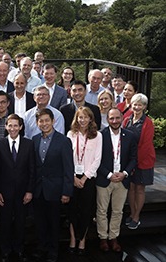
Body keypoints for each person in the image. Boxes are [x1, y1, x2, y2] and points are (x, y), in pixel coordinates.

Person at [31, 108, 74, 262]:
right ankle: (41, 247)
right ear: (37, 123)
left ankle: (53, 251)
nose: (44, 124)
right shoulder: (34, 140)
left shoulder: (63, 141)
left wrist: (67, 192)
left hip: (56, 190)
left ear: (53, 121)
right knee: (40, 222)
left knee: (54, 222)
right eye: (41, 121)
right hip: (38, 190)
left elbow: (69, 168)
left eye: (46, 120)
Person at [96, 108, 137, 252]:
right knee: (101, 210)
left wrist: (124, 173)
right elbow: (96, 160)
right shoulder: (100, 136)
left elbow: (133, 158)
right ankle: (102, 238)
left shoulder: (130, 136)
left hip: (122, 179)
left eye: (117, 118)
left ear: (122, 118)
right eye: (111, 118)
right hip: (104, 179)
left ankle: (113, 237)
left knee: (118, 211)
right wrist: (108, 175)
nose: (114, 121)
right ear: (107, 119)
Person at [0, 114, 35, 262]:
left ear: (21, 127)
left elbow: (32, 169)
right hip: (4, 193)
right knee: (4, 222)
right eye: (10, 125)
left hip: (23, 192)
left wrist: (30, 190)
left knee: (20, 222)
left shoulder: (28, 144)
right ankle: (5, 250)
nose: (12, 128)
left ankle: (19, 249)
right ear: (5, 127)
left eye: (15, 125)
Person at [66, 107, 102, 256]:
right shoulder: (70, 134)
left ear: (91, 119)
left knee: (86, 211)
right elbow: (67, 157)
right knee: (72, 210)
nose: (83, 120)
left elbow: (97, 159)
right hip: (73, 177)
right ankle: (73, 239)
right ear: (76, 118)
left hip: (88, 178)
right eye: (80, 117)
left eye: (86, 117)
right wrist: (74, 177)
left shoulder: (97, 136)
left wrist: (85, 177)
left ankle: (83, 240)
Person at [123, 94, 156, 230]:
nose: (136, 107)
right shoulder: (126, 120)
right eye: (135, 104)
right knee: (131, 187)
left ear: (144, 107)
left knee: (140, 188)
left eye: (140, 105)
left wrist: (134, 164)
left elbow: (145, 145)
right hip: (130, 161)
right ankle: (131, 212)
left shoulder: (147, 123)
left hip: (143, 160)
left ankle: (136, 216)